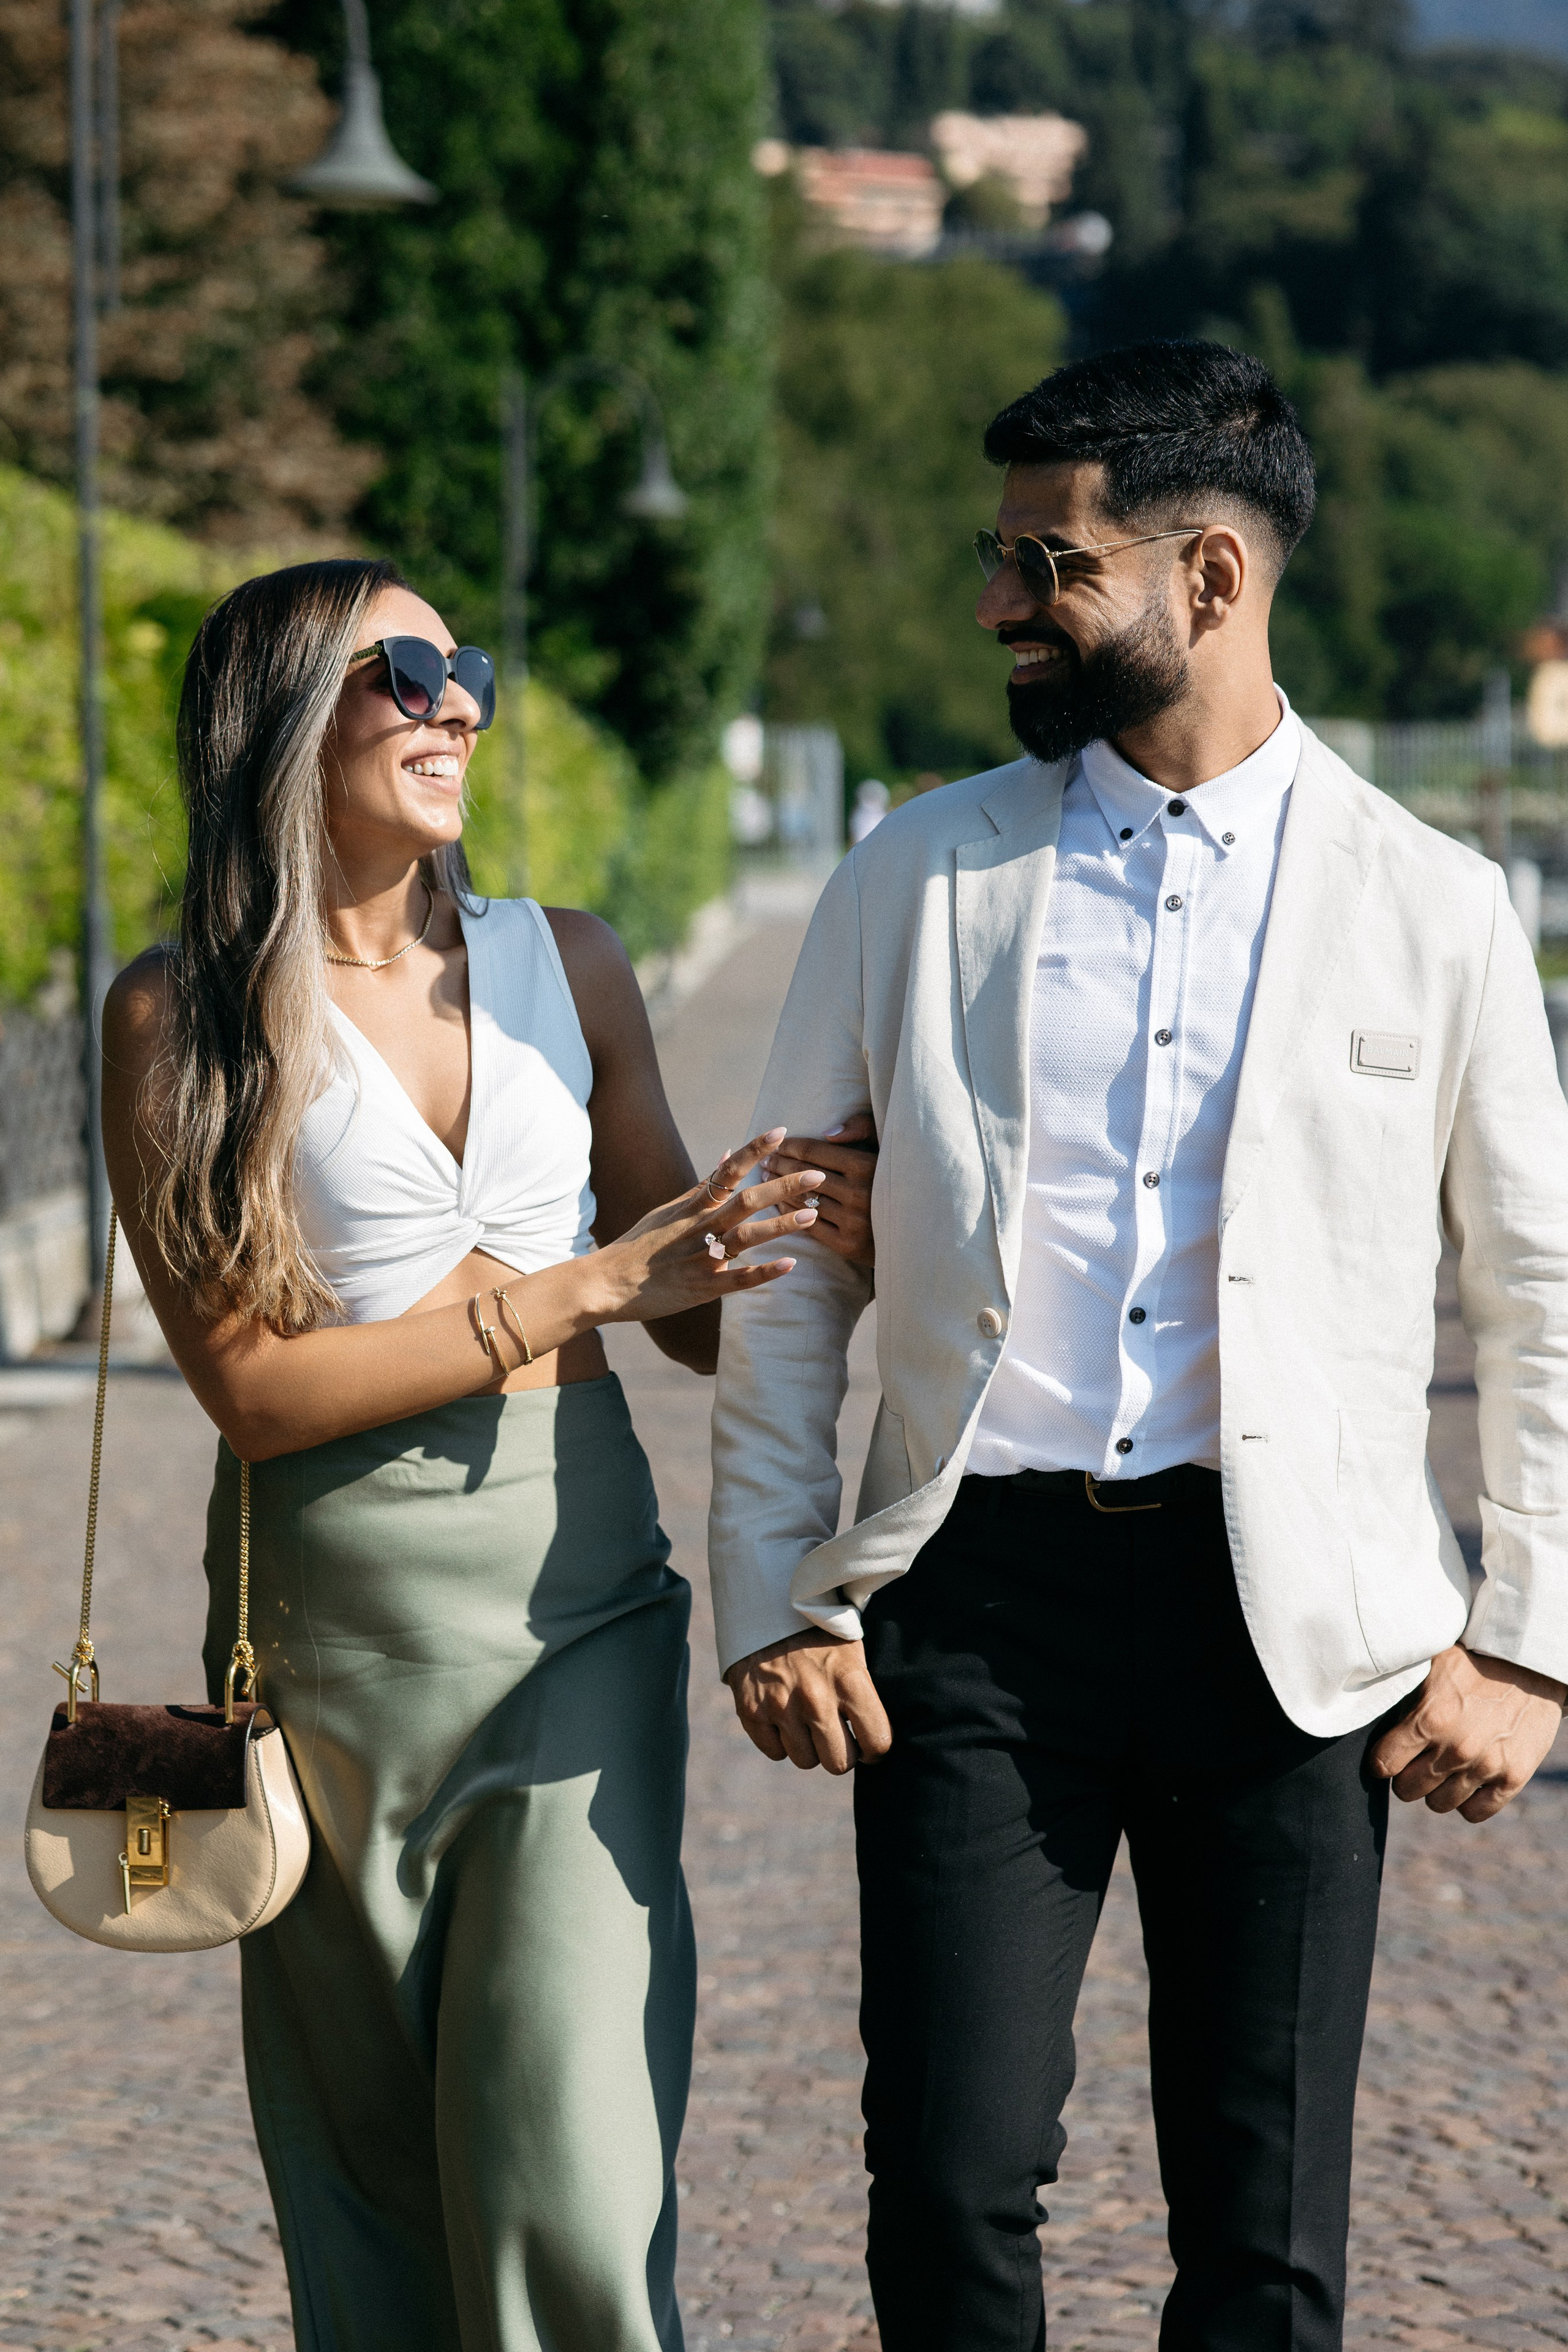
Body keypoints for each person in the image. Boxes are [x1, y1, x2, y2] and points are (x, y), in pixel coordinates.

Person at [708, 342, 1568, 2350]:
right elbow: (787, 1253)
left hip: (1296, 1631)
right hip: (975, 1601)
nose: (1002, 601)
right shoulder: (916, 873)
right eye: (997, 553)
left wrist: (1529, 1639)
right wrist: (774, 1587)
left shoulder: (1433, 909)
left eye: (1048, 562)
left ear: (1210, 576)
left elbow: (1540, 1297)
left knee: (1264, 2234)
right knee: (945, 2177)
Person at [100, 556, 873, 2352]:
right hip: (324, 1640)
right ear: (281, 720)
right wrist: (589, 1286)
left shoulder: (564, 962)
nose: (460, 702)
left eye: (474, 670)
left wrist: (814, 1237)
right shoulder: (183, 1016)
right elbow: (253, 1392)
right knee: (368, 2185)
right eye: (411, 671)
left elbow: (675, 1308)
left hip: (572, 1611)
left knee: (574, 2165)